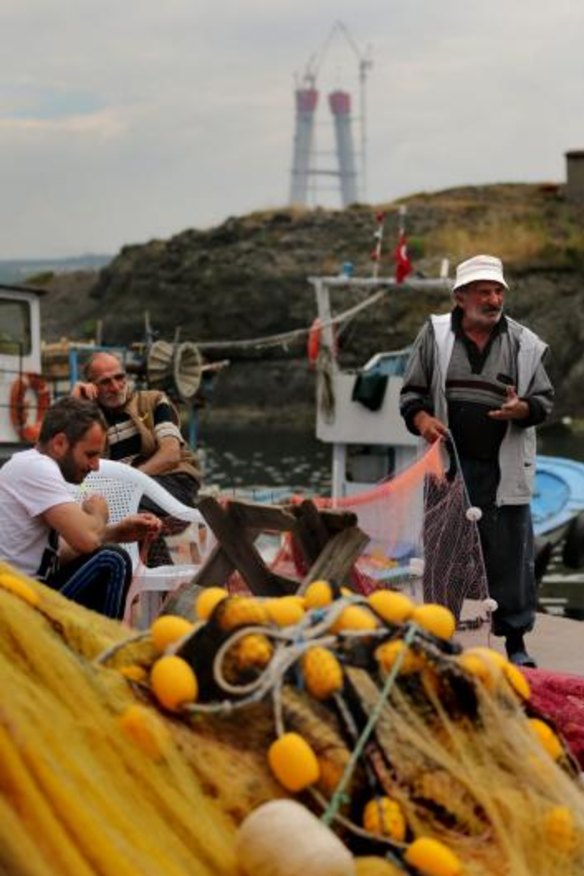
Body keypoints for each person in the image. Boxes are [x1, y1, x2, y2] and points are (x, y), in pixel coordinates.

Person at [399, 253, 554, 667]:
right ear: (461, 296)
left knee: (509, 557)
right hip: (449, 465)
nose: (493, 298)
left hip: (503, 469)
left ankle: (516, 644)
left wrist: (522, 409)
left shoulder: (525, 342)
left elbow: (544, 401)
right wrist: (424, 419)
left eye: (498, 290)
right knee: (443, 552)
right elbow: (410, 395)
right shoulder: (434, 335)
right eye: (484, 291)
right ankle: (439, 633)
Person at [0, 397, 161, 619]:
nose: (95, 467)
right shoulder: (35, 467)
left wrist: (116, 532)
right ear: (59, 444)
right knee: (112, 560)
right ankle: (103, 648)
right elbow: (86, 540)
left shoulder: (35, 468)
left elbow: (61, 553)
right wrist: (99, 514)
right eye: (91, 454)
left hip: (32, 591)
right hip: (17, 600)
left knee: (108, 555)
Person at [72, 351, 201, 507]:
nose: (115, 387)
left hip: (170, 478)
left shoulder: (153, 400)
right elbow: (61, 457)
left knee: (119, 504)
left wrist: (130, 480)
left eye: (119, 377)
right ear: (92, 386)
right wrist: (75, 403)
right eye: (105, 382)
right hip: (123, 490)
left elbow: (171, 455)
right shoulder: (90, 419)